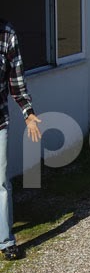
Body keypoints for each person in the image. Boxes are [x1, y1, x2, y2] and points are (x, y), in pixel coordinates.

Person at [0, 20, 42, 260]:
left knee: (1, 183)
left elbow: (16, 81)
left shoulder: (7, 35)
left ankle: (6, 241)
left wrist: (28, 113)